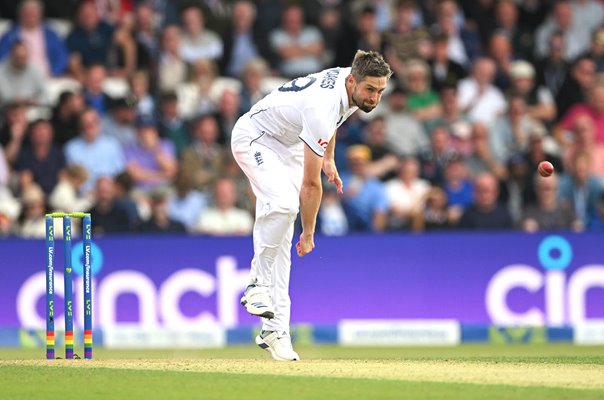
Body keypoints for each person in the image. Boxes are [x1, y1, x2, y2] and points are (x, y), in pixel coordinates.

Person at [231, 50, 391, 361]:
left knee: (280, 235)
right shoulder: (324, 103)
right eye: (370, 90)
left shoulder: (352, 79)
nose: (375, 98)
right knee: (284, 206)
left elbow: (332, 121)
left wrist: (329, 157)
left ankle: (276, 331)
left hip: (289, 142)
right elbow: (311, 184)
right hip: (257, 137)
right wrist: (309, 233)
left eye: (381, 91)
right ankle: (255, 284)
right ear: (352, 80)